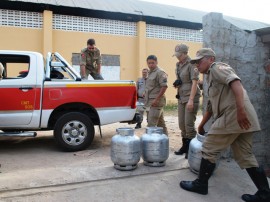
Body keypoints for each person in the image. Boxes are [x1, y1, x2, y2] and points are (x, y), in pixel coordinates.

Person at [179, 48, 270, 202]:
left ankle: (201, 184)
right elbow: (210, 106)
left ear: (211, 59)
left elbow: (236, 83)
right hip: (240, 118)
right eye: (195, 62)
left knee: (208, 147)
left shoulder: (217, 68)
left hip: (234, 115)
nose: (197, 65)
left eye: (200, 61)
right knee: (245, 156)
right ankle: (265, 193)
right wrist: (201, 125)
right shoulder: (209, 78)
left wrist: (240, 110)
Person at [173, 44, 201, 158]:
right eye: (176, 55)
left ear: (185, 53)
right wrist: (178, 83)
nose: (177, 57)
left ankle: (191, 150)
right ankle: (185, 147)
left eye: (179, 55)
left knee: (189, 125)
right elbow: (183, 79)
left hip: (191, 97)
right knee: (182, 125)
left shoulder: (192, 64)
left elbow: (194, 82)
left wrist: (190, 100)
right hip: (181, 97)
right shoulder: (178, 64)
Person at [143, 55, 168, 135]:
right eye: (149, 63)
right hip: (150, 101)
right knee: (161, 124)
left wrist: (156, 99)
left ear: (157, 62)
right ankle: (165, 141)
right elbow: (151, 86)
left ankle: (149, 145)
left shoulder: (160, 72)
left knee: (151, 124)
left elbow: (164, 86)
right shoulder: (150, 72)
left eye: (153, 63)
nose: (151, 65)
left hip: (156, 102)